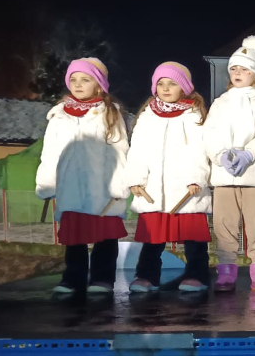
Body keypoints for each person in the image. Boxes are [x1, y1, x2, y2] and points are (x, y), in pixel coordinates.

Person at [36, 57, 130, 295]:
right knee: (74, 236)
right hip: (70, 186)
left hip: (102, 186)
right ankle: (72, 278)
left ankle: (102, 278)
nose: (78, 84)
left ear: (99, 85)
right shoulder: (58, 116)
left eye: (85, 80)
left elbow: (120, 150)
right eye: (74, 79)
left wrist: (119, 185)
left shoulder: (110, 113)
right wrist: (47, 184)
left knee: (105, 234)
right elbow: (50, 152)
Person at [125, 62, 212, 292]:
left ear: (184, 87)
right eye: (161, 83)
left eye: (172, 83)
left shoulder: (193, 115)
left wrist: (196, 178)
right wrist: (136, 179)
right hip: (154, 188)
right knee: (152, 238)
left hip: (186, 188)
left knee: (193, 237)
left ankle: (196, 275)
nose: (165, 88)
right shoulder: (148, 116)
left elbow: (200, 149)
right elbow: (138, 150)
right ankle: (146, 276)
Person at [203, 36, 255, 291]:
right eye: (234, 68)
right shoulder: (220, 103)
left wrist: (250, 154)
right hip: (224, 176)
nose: (237, 73)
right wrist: (220, 155)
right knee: (224, 225)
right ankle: (226, 272)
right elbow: (209, 134)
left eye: (244, 69)